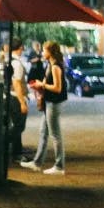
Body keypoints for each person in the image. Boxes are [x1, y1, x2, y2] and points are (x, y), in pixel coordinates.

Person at [23, 40, 69, 175]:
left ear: (50, 52)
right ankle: (37, 163)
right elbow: (46, 82)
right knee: (43, 132)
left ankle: (59, 166)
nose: (42, 52)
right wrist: (39, 85)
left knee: (55, 134)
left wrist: (42, 86)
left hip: (54, 103)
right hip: (49, 102)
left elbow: (57, 88)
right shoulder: (50, 65)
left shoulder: (55, 67)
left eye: (44, 50)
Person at [7, 37, 29, 161]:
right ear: (19, 48)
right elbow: (17, 84)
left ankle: (17, 150)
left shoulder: (7, 60)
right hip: (15, 97)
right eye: (22, 47)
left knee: (15, 123)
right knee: (19, 126)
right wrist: (22, 102)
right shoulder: (17, 64)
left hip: (8, 96)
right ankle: (4, 145)